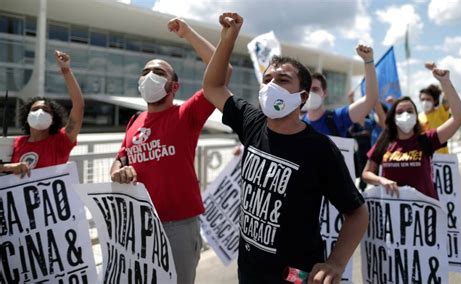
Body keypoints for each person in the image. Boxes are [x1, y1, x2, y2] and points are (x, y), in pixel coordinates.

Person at [202, 12, 368, 284]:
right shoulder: (251, 122)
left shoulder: (320, 149)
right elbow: (213, 86)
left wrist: (336, 262)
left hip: (294, 276)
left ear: (302, 97)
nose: (270, 86)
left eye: (282, 80)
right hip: (250, 271)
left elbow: (357, 213)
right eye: (267, 80)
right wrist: (228, 39)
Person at [109, 18, 231, 284]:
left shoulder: (186, 114)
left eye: (159, 72)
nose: (149, 76)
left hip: (177, 227)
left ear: (174, 87)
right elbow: (119, 160)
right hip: (138, 225)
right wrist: (119, 171)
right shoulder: (134, 122)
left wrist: (188, 34)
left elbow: (223, 72)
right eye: (145, 72)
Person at [362, 67, 461, 199]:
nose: (405, 114)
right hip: (393, 213)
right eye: (400, 112)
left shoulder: (428, 139)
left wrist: (445, 82)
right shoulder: (384, 142)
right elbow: (366, 174)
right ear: (393, 117)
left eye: (410, 111)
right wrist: (381, 181)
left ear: (416, 116)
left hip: (423, 215)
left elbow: (459, 117)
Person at [0, 50, 84, 177]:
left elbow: (79, 106)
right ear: (27, 117)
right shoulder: (16, 143)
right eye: (34, 109)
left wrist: (66, 71)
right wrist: (8, 167)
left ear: (53, 118)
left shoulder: (61, 141)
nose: (39, 112)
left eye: (46, 110)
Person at [301, 49, 378, 137]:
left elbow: (370, 99)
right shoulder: (299, 123)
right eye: (307, 90)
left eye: (315, 89)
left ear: (325, 93)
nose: (310, 94)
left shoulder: (337, 118)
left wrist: (368, 61)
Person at [418, 63, 450, 154]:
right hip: (425, 158)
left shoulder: (441, 111)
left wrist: (437, 71)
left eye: (428, 99)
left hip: (441, 158)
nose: (425, 102)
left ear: (435, 101)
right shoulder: (418, 116)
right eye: (423, 99)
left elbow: (447, 94)